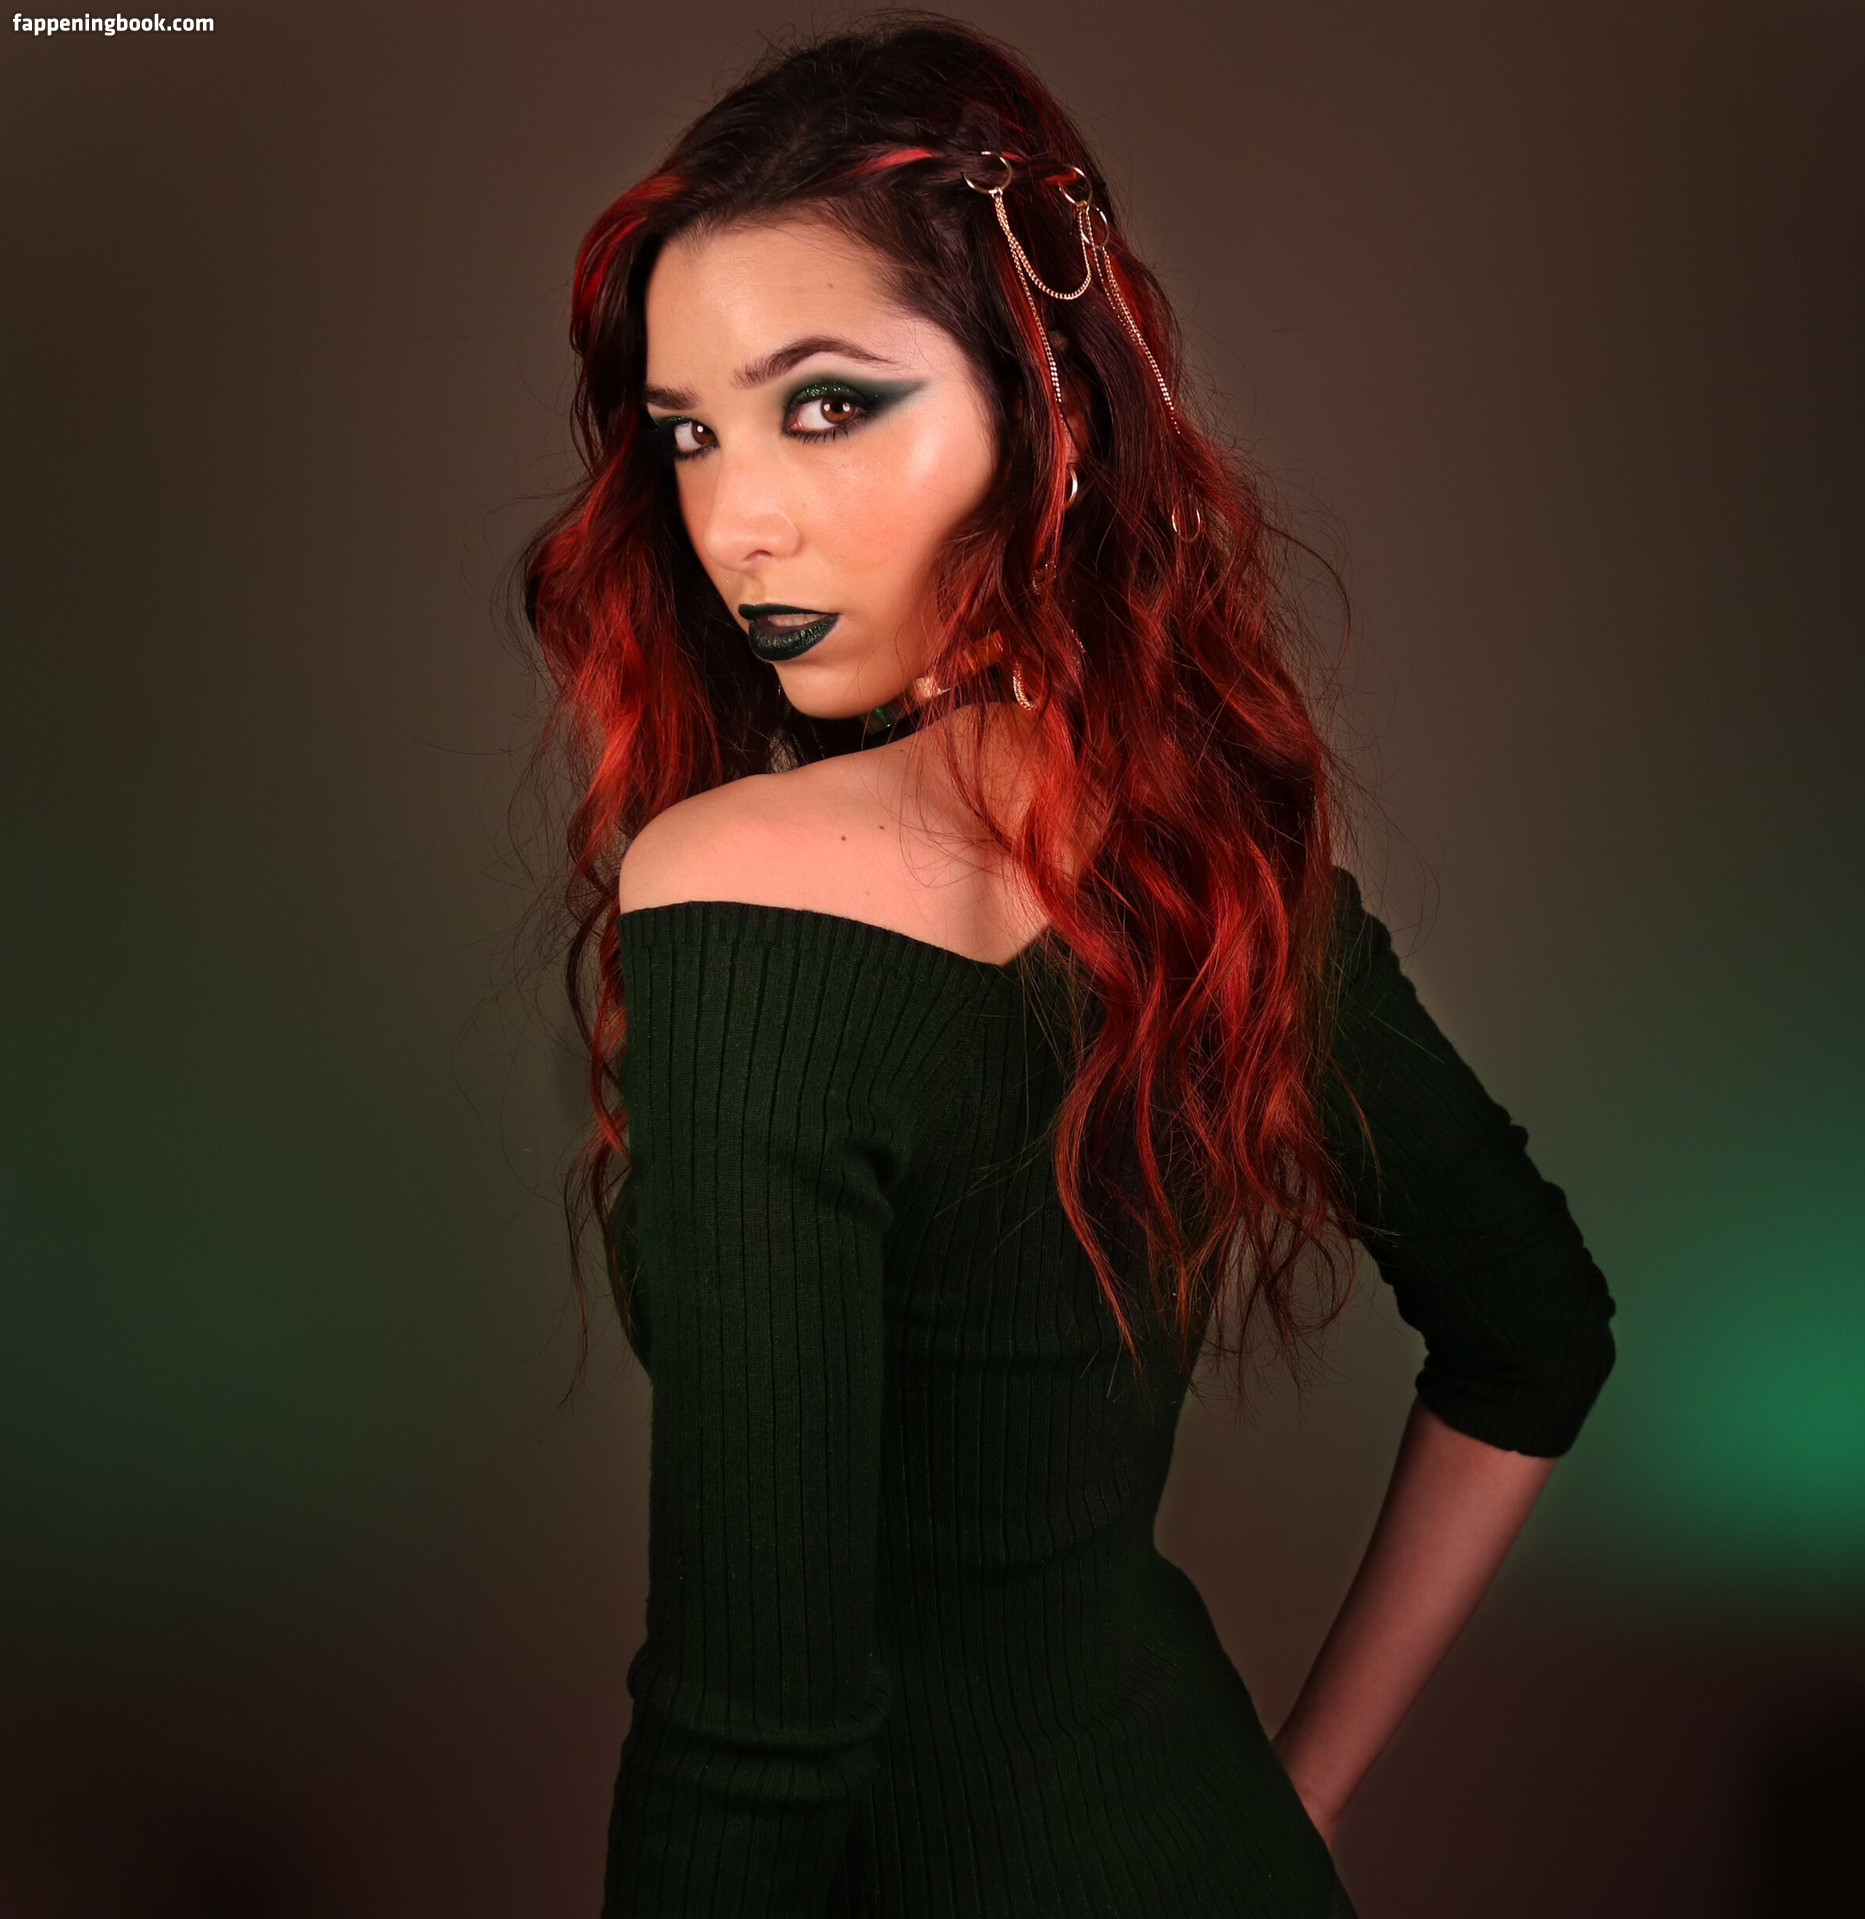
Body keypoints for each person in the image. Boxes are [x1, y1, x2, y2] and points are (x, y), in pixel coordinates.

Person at [516, 16, 1618, 1917]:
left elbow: (753, 1740)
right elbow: (1541, 1329)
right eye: (690, 432)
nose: (734, 520)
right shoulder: (1216, 869)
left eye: (828, 405)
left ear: (1047, 411)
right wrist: (1292, 1806)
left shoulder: (731, 886)